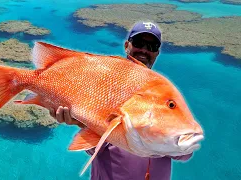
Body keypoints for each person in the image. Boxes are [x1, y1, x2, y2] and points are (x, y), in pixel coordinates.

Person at [49, 22, 193, 180]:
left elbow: (185, 154)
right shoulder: (105, 83)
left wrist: (165, 137)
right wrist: (80, 122)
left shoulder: (162, 94)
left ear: (157, 52)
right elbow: (93, 149)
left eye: (151, 46)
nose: (144, 50)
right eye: (139, 43)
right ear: (127, 46)